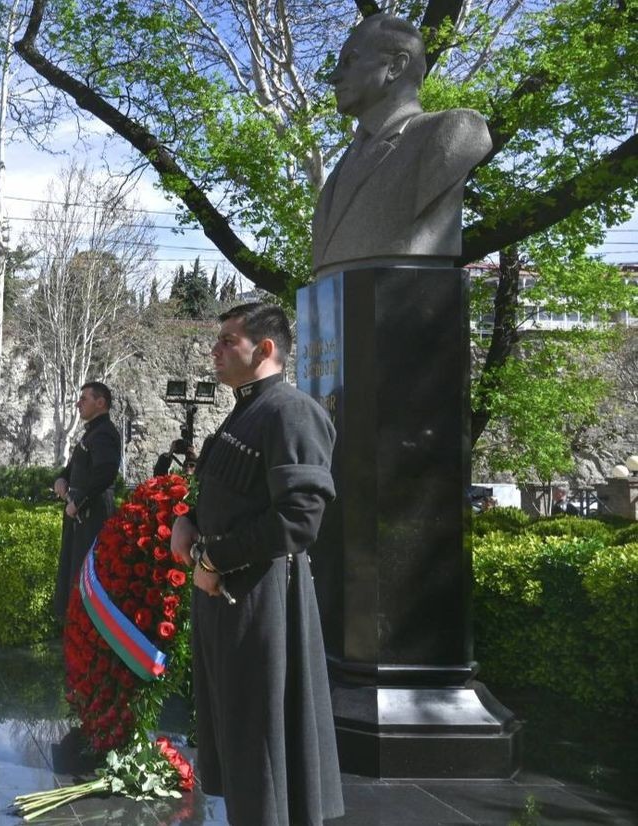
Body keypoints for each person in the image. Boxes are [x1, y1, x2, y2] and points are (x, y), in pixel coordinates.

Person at [171, 303, 343, 825]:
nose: (215, 350)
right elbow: (234, 495)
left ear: (264, 349)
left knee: (261, 739)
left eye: (227, 341)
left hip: (261, 599)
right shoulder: (245, 411)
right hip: (228, 597)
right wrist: (189, 518)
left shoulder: (291, 411)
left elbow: (299, 519)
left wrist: (210, 556)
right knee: (236, 729)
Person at [311, 13, 491, 275]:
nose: (335, 77)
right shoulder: (344, 164)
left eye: (350, 61)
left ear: (395, 67)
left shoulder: (453, 131)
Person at [52, 382, 122, 620]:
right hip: (80, 515)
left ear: (100, 402)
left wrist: (78, 502)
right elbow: (72, 469)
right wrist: (62, 479)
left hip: (93, 516)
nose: (78, 403)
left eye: (84, 398)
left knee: (88, 575)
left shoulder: (105, 433)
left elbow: (105, 474)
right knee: (73, 574)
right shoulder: (92, 433)